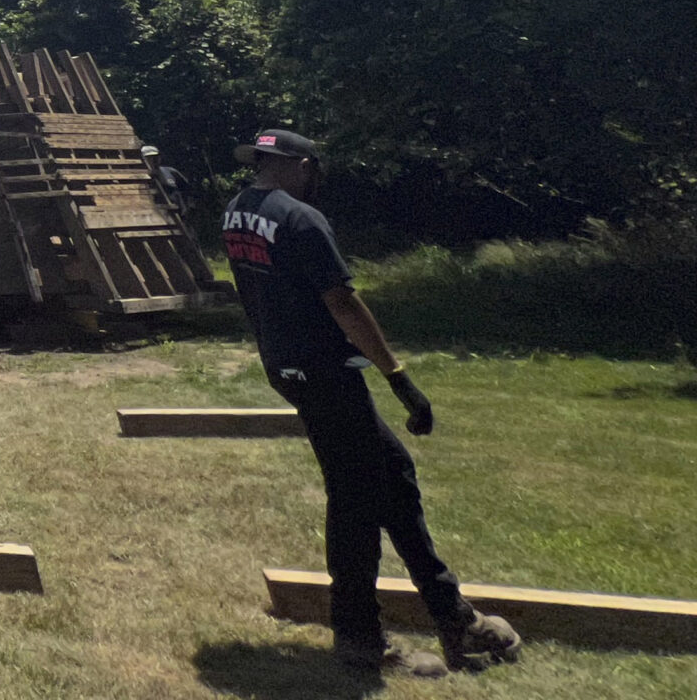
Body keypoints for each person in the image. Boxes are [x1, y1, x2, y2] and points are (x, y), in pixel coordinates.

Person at [222, 130, 521, 681]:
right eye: (314, 170)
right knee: (356, 499)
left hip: (288, 367)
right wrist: (399, 377)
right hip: (326, 372)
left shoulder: (237, 213)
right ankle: (361, 640)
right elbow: (342, 301)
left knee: (392, 473)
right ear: (303, 165)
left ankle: (452, 616)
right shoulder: (301, 220)